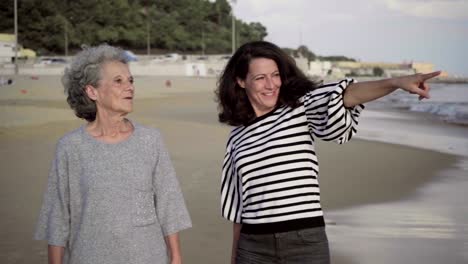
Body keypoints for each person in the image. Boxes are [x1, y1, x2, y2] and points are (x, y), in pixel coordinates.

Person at [216, 40, 440, 264]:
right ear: (241, 81)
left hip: (304, 243)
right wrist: (235, 257)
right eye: (260, 77)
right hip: (253, 246)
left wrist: (396, 82)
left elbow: (347, 95)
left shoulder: (300, 109)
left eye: (275, 75)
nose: (271, 84)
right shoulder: (237, 138)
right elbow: (239, 209)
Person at [34, 44, 192, 264]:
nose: (129, 88)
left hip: (148, 257)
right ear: (92, 91)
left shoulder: (151, 140)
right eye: (118, 81)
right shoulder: (70, 147)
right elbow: (58, 216)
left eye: (130, 81)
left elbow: (168, 203)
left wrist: (175, 257)